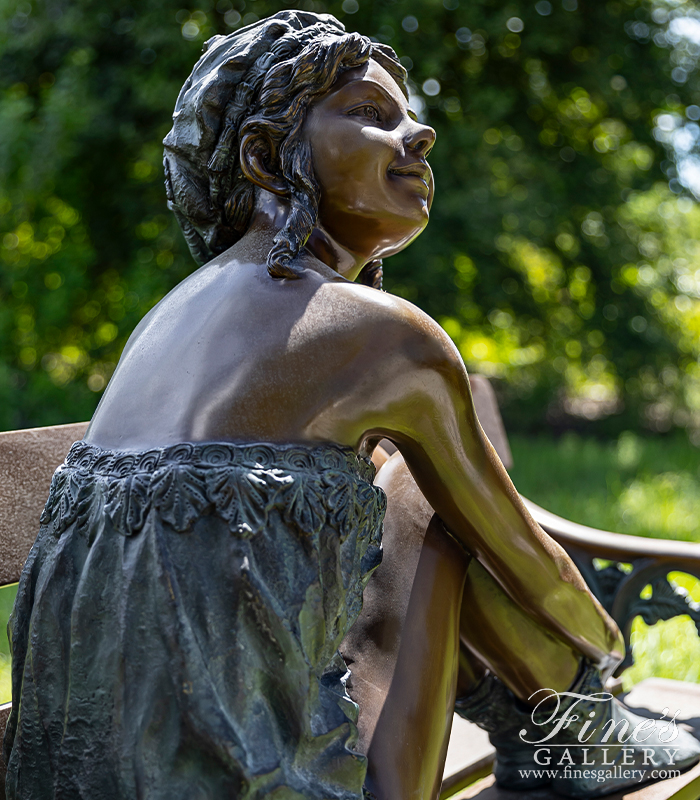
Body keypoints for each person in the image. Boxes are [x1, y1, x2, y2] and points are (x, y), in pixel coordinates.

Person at [4, 11, 699, 800]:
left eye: (409, 113)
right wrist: (603, 647)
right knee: (437, 511)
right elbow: (519, 556)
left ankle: (570, 728)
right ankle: (577, 725)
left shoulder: (171, 317)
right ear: (265, 157)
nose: (421, 133)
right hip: (294, 786)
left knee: (403, 490)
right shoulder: (381, 338)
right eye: (372, 114)